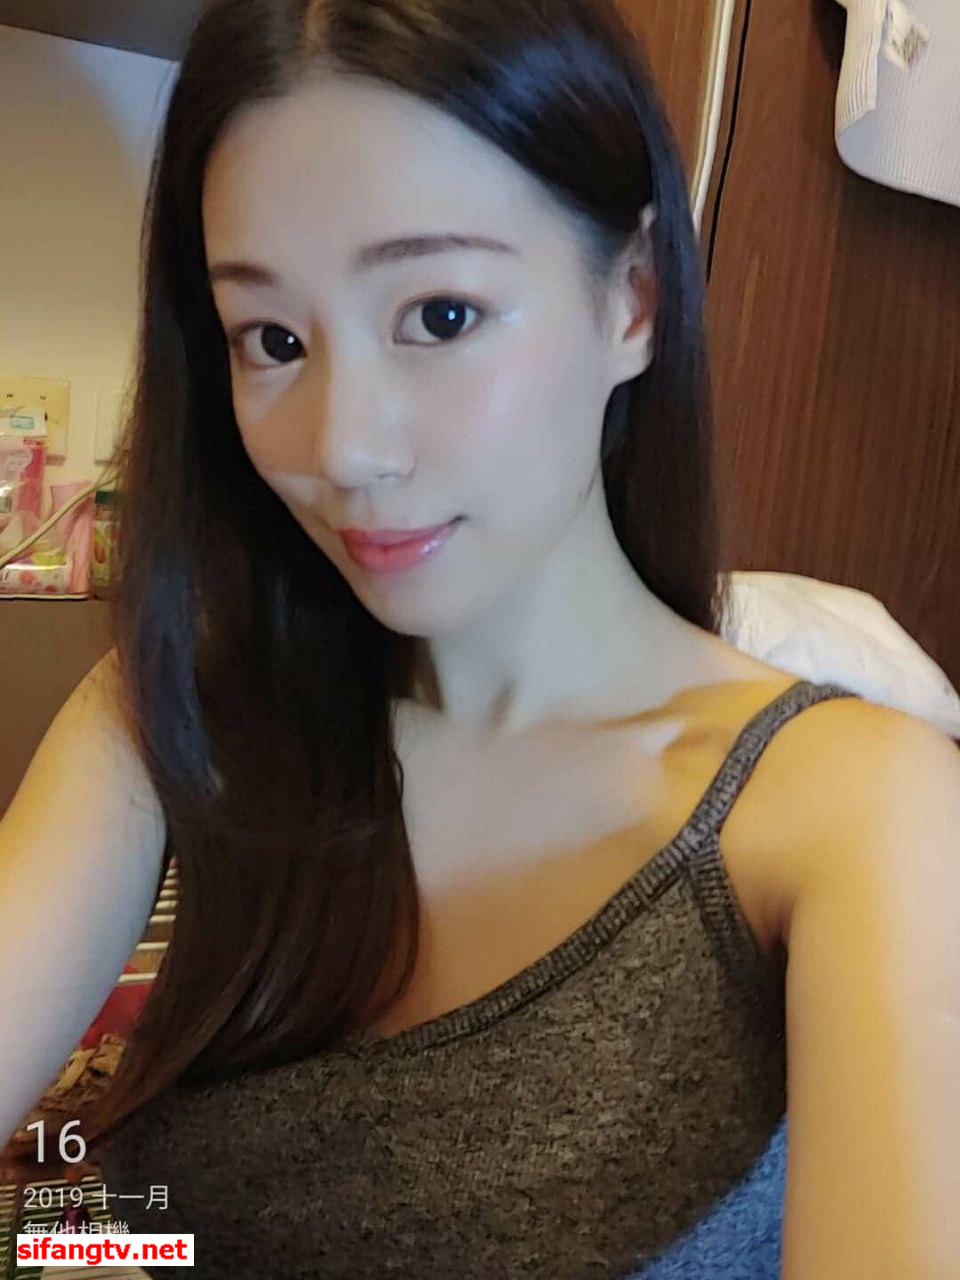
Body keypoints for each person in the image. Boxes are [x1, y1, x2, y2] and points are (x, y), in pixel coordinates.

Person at [1, 0, 958, 1275]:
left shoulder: (859, 814)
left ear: (633, 300)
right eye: (273, 340)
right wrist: (66, 1240)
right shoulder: (176, 712)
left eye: (440, 315)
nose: (345, 447)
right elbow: (122, 1233)